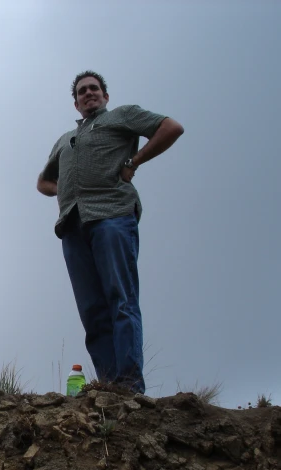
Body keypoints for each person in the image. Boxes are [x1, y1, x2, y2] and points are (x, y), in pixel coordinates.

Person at [37, 70, 184, 394]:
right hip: (73, 226)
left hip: (112, 215)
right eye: (82, 92)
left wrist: (135, 160)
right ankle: (108, 387)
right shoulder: (64, 141)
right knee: (92, 310)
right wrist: (62, 189)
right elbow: (42, 182)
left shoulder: (123, 116)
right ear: (75, 103)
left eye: (94, 89)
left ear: (105, 95)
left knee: (121, 299)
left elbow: (171, 128)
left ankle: (129, 386)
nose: (88, 94)